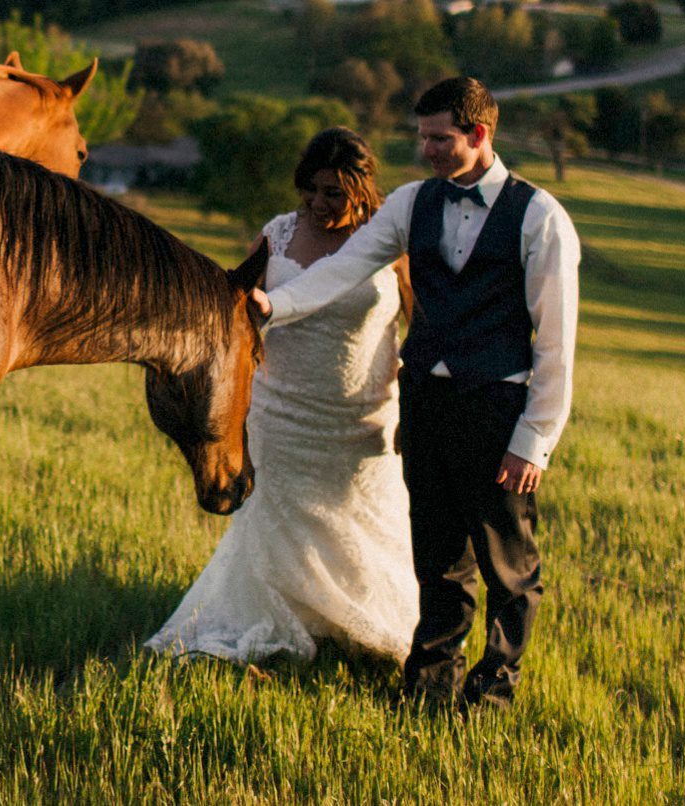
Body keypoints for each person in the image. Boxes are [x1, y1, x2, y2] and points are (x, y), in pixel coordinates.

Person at [251, 77, 580, 709]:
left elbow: (557, 344)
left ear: (478, 135)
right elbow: (340, 271)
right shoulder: (409, 204)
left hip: (496, 409)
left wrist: (533, 442)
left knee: (508, 566)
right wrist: (274, 303)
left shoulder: (541, 218)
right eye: (422, 136)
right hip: (424, 404)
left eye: (438, 138)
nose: (425, 149)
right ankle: (429, 686)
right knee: (437, 557)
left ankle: (491, 692)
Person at [146, 127, 418, 666]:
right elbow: (238, 317)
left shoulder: (391, 244)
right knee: (276, 527)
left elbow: (423, 323)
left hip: (363, 417)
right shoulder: (278, 236)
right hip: (281, 415)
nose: (318, 204)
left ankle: (353, 625)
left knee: (362, 524)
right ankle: (280, 620)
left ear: (361, 190)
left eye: (333, 193)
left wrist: (412, 395)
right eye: (310, 191)